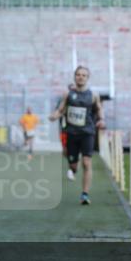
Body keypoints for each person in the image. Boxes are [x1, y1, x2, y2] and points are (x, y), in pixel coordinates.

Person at [49, 66, 105, 205]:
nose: (81, 77)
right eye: (78, 74)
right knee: (73, 166)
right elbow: (61, 110)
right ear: (74, 76)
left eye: (84, 75)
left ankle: (84, 194)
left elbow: (99, 109)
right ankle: (73, 166)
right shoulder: (68, 95)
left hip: (87, 133)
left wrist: (101, 120)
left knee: (87, 162)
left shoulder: (93, 95)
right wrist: (54, 116)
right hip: (72, 134)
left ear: (87, 78)